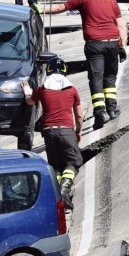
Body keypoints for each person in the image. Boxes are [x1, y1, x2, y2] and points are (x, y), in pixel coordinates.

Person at [42, 0, 127, 130]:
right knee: (109, 77)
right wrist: (122, 47)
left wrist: (40, 9)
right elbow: (121, 25)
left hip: (94, 45)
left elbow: (60, 8)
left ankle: (100, 112)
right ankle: (112, 109)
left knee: (96, 78)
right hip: (113, 43)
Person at [20, 57, 83, 209]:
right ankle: (64, 189)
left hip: (48, 132)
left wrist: (27, 90)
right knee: (73, 162)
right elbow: (79, 115)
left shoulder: (42, 90)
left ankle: (58, 195)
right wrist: (78, 132)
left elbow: (29, 101)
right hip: (66, 131)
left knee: (55, 166)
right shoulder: (72, 90)